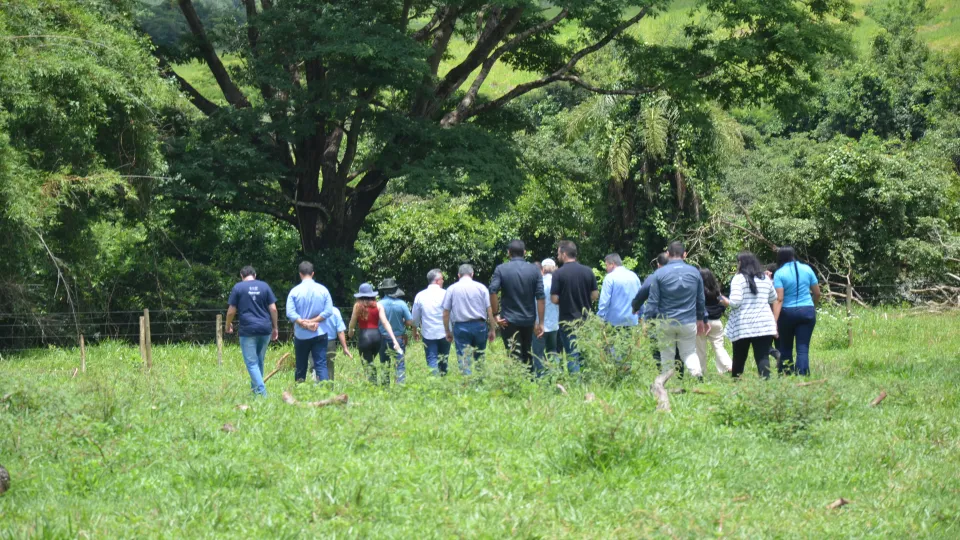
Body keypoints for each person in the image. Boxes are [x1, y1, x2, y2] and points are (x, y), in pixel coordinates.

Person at [643, 241, 708, 380]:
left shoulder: (659, 273)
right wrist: (701, 319)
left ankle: (668, 383)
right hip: (688, 321)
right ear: (685, 254)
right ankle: (697, 374)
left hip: (665, 322)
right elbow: (701, 299)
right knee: (689, 352)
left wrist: (647, 321)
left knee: (666, 355)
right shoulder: (695, 272)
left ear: (667, 254)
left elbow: (653, 302)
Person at [489, 240, 545, 374]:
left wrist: (496, 314)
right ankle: (529, 381)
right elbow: (540, 298)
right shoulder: (534, 270)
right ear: (524, 252)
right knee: (527, 354)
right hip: (528, 320)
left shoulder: (501, 269)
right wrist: (540, 322)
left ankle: (516, 382)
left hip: (508, 321)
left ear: (509, 253)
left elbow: (492, 291)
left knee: (513, 355)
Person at [225, 266, 278, 396]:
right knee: (259, 361)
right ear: (255, 275)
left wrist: (227, 325)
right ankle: (255, 393)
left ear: (241, 276)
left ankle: (262, 393)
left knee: (251, 363)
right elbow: (273, 309)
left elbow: (231, 311)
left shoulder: (238, 287)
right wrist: (275, 327)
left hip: (248, 330)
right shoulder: (264, 286)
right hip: (265, 329)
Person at [725, 252, 778, 379]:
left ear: (741, 263)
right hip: (764, 324)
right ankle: (766, 382)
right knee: (762, 356)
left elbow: (735, 302)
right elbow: (773, 298)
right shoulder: (765, 279)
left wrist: (724, 301)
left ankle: (737, 381)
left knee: (739, 356)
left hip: (743, 324)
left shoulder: (738, 279)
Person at [551, 241, 599, 373]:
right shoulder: (588, 271)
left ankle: (575, 383)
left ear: (564, 254)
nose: (557, 256)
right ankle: (587, 381)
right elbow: (595, 295)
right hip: (586, 320)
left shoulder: (558, 274)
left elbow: (554, 299)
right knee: (585, 354)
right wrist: (583, 298)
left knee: (572, 355)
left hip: (567, 321)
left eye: (558, 253)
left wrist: (565, 300)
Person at [773, 247, 822, 376]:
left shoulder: (779, 273)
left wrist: (774, 321)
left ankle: (786, 374)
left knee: (785, 348)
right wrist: (812, 306)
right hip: (807, 311)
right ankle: (802, 375)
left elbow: (779, 299)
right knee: (803, 349)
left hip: (787, 313)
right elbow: (817, 293)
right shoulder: (807, 269)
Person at [632, 253, 682, 375]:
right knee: (677, 347)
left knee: (656, 347)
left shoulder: (653, 278)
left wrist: (635, 308)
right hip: (676, 317)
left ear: (658, 265)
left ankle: (661, 373)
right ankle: (679, 374)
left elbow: (641, 295)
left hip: (656, 319)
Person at [442, 264, 496, 375]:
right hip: (480, 326)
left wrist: (447, 330)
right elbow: (489, 310)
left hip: (461, 327)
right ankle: (480, 381)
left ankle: (467, 382)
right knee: (480, 357)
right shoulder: (481, 288)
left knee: (464, 359)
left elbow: (446, 312)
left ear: (458, 275)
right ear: (472, 274)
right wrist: (492, 329)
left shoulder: (452, 289)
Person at [285, 261, 334, 382]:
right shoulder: (323, 290)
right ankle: (325, 390)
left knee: (300, 366)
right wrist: (313, 321)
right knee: (321, 365)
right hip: (320, 333)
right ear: (312, 273)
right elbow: (328, 311)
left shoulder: (294, 291)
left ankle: (300, 390)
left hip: (301, 335)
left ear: (300, 274)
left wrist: (304, 323)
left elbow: (290, 313)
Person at [347, 283, 403, 384]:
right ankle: (379, 383)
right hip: (377, 337)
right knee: (370, 361)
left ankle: (373, 386)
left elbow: (352, 322)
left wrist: (350, 331)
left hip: (364, 337)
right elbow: (385, 323)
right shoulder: (378, 306)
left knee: (368, 364)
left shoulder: (357, 306)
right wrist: (394, 339)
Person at [413, 269, 450, 375]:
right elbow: (451, 313)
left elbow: (415, 317)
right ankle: (444, 380)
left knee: (432, 360)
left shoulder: (420, 295)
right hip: (444, 333)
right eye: (442, 279)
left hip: (428, 334)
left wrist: (415, 331)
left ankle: (434, 383)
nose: (443, 281)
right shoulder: (446, 294)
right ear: (437, 281)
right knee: (444, 360)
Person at [377, 278, 415, 383]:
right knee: (400, 364)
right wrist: (402, 323)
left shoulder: (379, 304)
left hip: (383, 338)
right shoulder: (401, 304)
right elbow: (409, 322)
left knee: (384, 364)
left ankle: (385, 387)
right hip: (398, 339)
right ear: (395, 289)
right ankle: (400, 387)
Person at [696, 268, 732, 375]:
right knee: (719, 347)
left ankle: (701, 372)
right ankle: (729, 366)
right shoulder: (716, 291)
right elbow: (724, 303)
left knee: (700, 349)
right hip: (716, 322)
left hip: (702, 322)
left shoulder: (698, 291)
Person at [598, 253, 642, 327]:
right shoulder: (634, 276)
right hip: (633, 322)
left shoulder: (609, 278)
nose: (606, 268)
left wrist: (600, 318)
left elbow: (604, 302)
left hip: (614, 324)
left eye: (606, 265)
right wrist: (640, 315)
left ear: (612, 264)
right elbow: (641, 297)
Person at [533, 258, 560, 366]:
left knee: (538, 353)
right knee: (553, 350)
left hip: (539, 324)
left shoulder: (538, 283)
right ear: (554, 269)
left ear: (543, 269)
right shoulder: (558, 283)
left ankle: (541, 374)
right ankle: (556, 372)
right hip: (554, 324)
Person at [317, 307, 353, 380]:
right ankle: (329, 386)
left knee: (315, 366)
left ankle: (316, 385)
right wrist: (345, 348)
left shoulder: (314, 309)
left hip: (315, 341)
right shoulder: (335, 311)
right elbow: (340, 331)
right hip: (330, 343)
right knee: (330, 367)